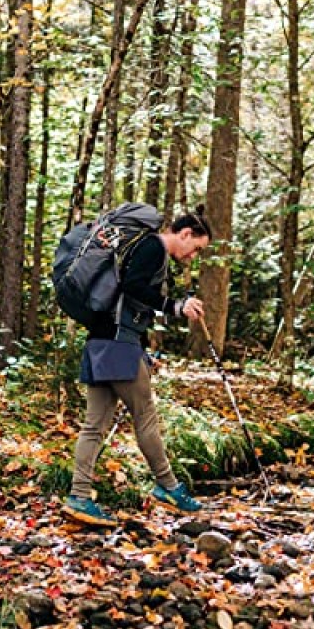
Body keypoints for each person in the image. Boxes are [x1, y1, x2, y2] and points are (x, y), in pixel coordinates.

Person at [62, 205, 213, 526]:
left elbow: (125, 298)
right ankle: (169, 487)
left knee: (93, 426)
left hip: (100, 342)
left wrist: (143, 349)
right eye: (196, 249)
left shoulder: (141, 247)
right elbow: (133, 286)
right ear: (185, 234)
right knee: (145, 418)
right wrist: (175, 306)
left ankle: (78, 497)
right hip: (118, 344)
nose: (193, 257)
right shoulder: (153, 248)